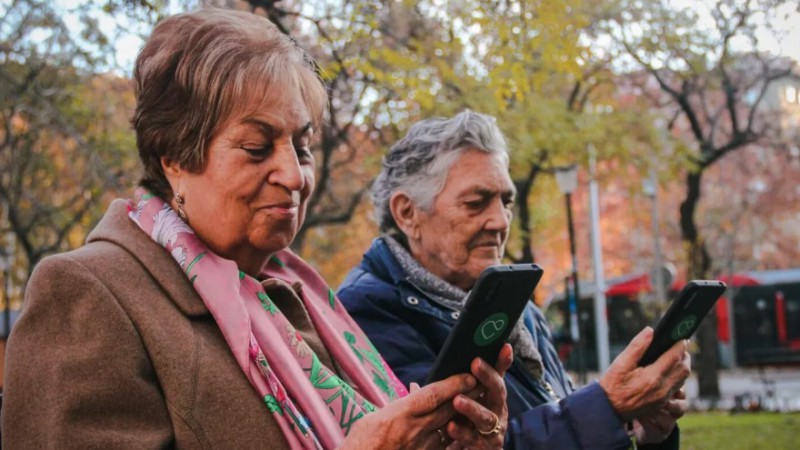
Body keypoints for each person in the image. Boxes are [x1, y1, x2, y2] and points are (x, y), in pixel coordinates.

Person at [1, 10, 511, 449]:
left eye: (302, 146)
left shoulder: (304, 297)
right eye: (256, 147)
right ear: (175, 156)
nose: (294, 175)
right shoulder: (87, 295)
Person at [337, 111, 691, 449]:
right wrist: (607, 405)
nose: (500, 221)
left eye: (506, 201)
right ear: (408, 213)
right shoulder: (366, 311)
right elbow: (461, 443)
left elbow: (549, 414)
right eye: (477, 202)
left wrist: (647, 434)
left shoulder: (511, 303)